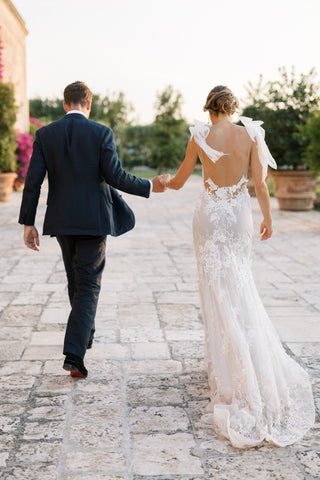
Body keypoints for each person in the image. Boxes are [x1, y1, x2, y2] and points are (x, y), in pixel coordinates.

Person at [161, 86, 315, 448]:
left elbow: (182, 181)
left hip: (209, 218)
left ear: (209, 109)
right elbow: (260, 183)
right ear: (233, 108)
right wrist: (268, 219)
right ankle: (246, 364)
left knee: (215, 290)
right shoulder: (252, 133)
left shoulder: (200, 135)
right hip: (238, 217)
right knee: (241, 286)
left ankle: (228, 371)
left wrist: (164, 183)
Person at [19, 81, 166, 379]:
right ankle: (75, 355)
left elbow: (32, 181)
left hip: (61, 221)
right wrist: (151, 186)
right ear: (89, 104)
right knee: (87, 285)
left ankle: (83, 335)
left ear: (64, 104)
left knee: (76, 281)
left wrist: (28, 223)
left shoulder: (45, 134)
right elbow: (117, 176)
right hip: (94, 220)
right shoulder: (101, 132)